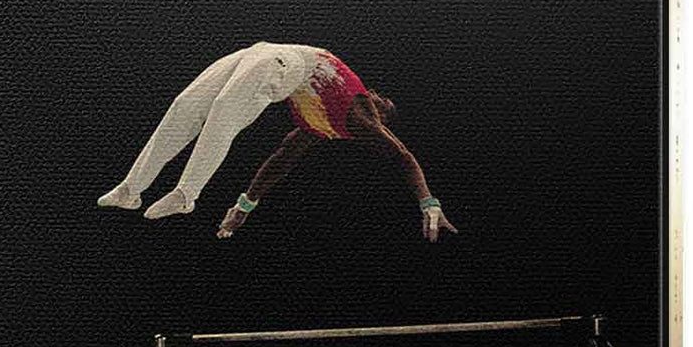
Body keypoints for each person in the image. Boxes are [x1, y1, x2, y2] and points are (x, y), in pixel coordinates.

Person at [97, 42, 457, 242]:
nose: (375, 98)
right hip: (270, 55)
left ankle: (184, 194)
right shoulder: (352, 107)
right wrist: (428, 204)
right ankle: (132, 189)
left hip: (278, 62)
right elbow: (403, 156)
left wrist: (244, 206)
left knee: (222, 109)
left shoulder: (336, 123)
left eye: (381, 104)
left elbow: (280, 161)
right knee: (186, 106)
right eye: (377, 99)